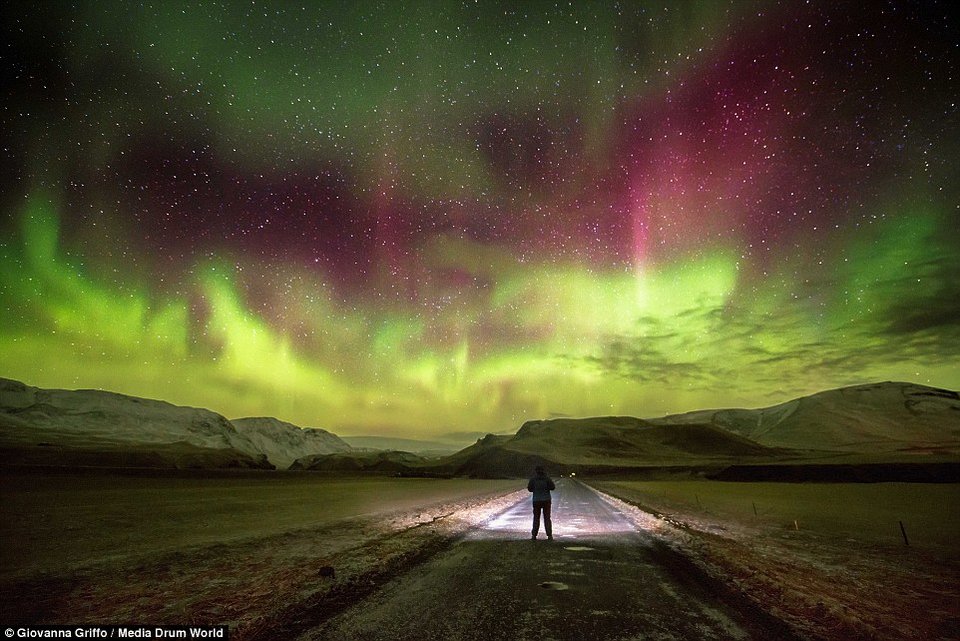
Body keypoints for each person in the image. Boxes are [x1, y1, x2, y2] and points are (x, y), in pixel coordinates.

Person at [527, 465, 555, 540]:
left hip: (536, 500)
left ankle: (534, 535)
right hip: (546, 500)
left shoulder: (533, 479)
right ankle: (549, 535)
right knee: (547, 518)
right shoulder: (547, 479)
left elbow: (529, 489)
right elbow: (553, 487)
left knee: (536, 518)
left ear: (536, 471)